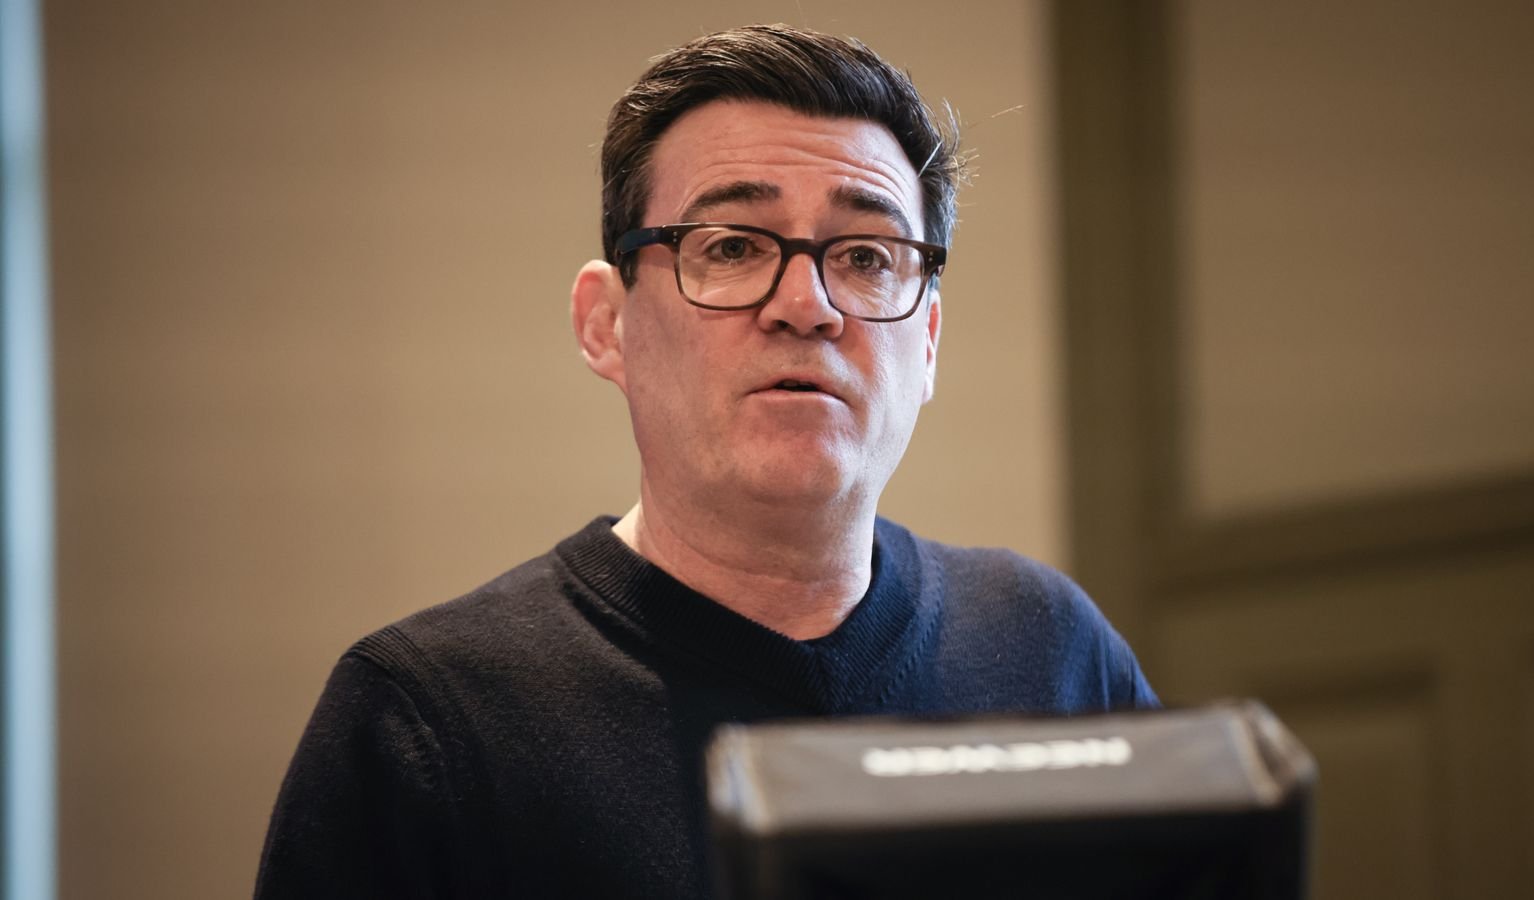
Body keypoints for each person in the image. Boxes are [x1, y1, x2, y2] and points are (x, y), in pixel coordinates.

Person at [255, 23, 1158, 899]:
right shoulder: (427, 720)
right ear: (607, 324)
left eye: (865, 255)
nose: (807, 305)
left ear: (927, 343)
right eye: (732, 246)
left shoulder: (1050, 651)